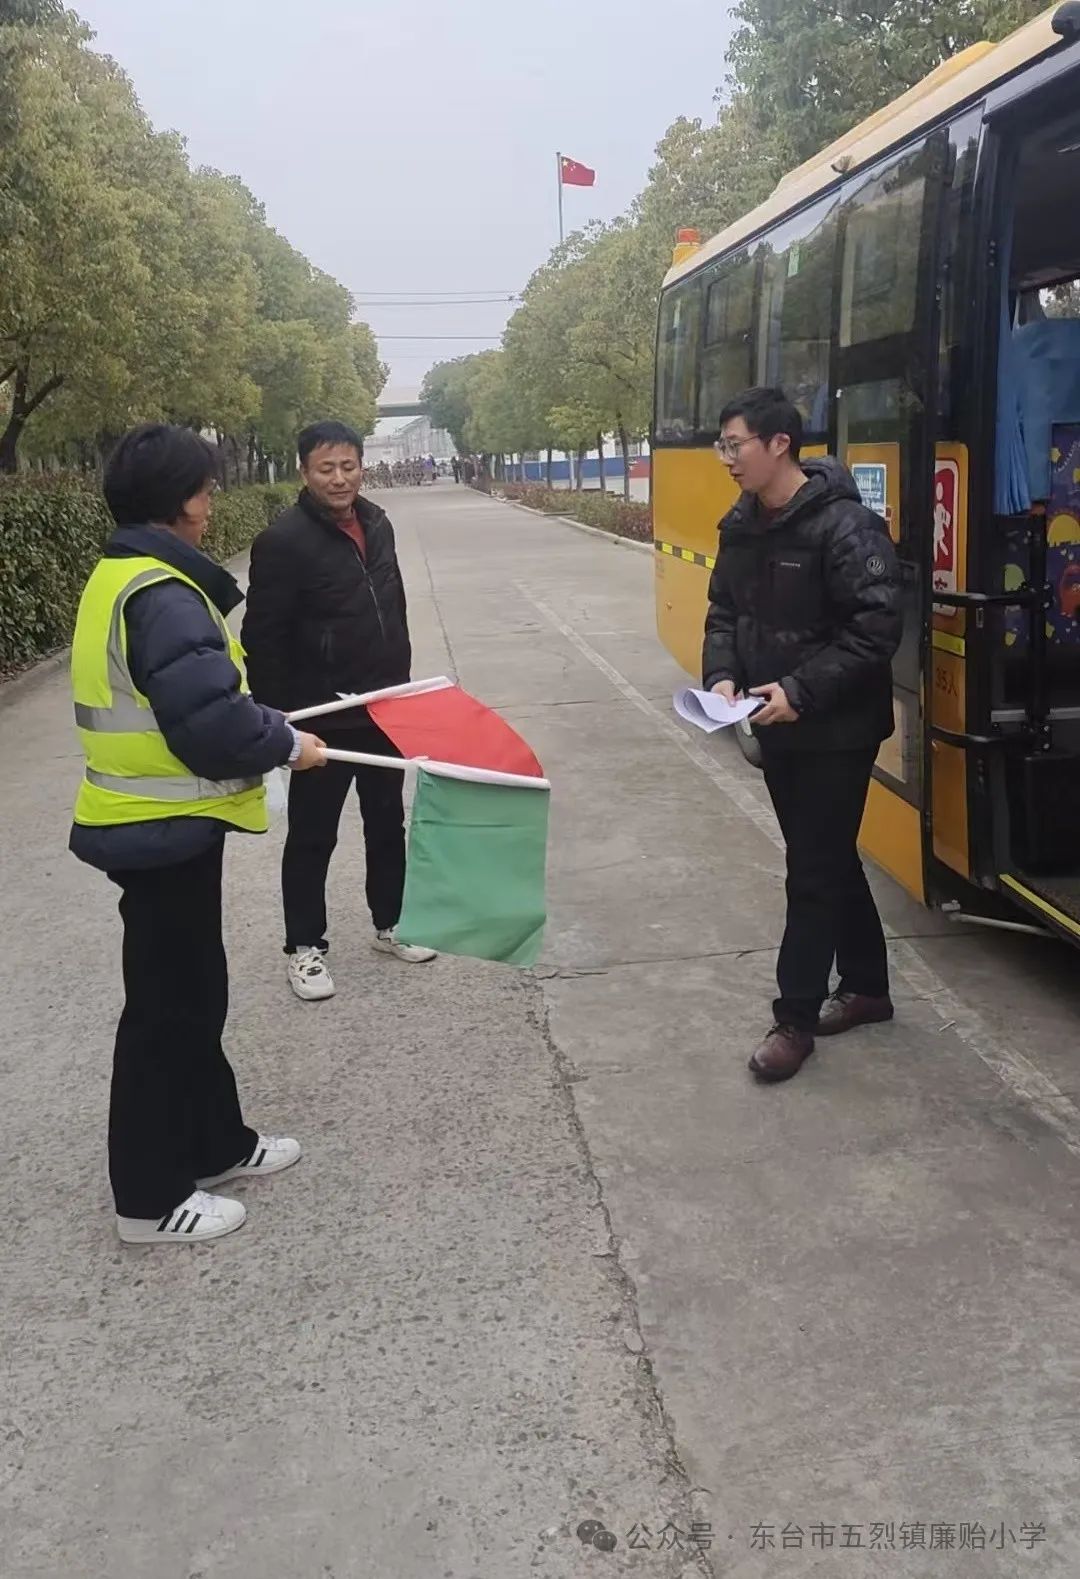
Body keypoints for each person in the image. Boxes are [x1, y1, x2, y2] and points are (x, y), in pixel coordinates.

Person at [69, 423, 328, 1245]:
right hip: (157, 828)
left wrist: (269, 726)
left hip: (163, 827)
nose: (212, 504)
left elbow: (198, 700)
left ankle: (215, 1142)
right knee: (165, 1009)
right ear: (180, 500)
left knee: (193, 992)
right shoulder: (160, 591)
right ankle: (148, 1199)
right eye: (207, 490)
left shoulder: (126, 574)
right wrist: (286, 744)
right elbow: (209, 723)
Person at [702, 387, 902, 1083]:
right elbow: (723, 611)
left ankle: (794, 1019)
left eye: (735, 444)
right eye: (723, 445)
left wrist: (801, 691)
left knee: (812, 869)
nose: (726, 457)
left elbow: (875, 628)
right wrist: (722, 676)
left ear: (779, 443)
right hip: (771, 719)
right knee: (827, 855)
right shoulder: (742, 524)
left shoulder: (847, 526)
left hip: (836, 727)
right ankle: (868, 988)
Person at [242, 419, 437, 1002]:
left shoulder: (378, 524)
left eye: (348, 466)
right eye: (325, 468)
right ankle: (304, 947)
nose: (339, 478)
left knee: (387, 822)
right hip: (322, 717)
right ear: (304, 472)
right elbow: (263, 637)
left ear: (361, 466)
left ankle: (391, 923)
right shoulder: (282, 541)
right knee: (313, 834)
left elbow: (393, 607)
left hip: (383, 707)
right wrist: (279, 721)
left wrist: (401, 683)